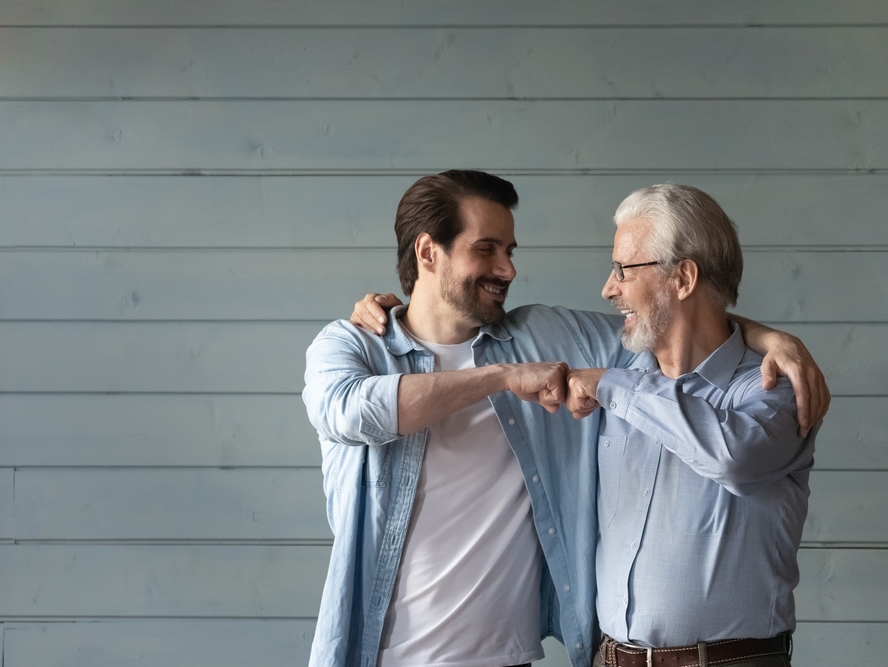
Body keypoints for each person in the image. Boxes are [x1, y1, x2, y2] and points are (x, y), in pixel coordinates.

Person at [306, 171, 828, 667]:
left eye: (509, 251)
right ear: (427, 252)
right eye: (486, 249)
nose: (507, 269)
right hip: (384, 655)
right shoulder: (353, 345)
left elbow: (667, 320)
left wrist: (770, 338)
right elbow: (352, 411)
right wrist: (501, 380)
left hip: (509, 658)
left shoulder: (545, 338)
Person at [564, 184, 817, 667]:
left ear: (683, 278)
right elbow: (494, 332)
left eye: (623, 269)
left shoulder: (776, 387)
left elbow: (733, 457)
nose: (608, 287)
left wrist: (613, 388)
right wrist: (385, 316)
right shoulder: (622, 367)